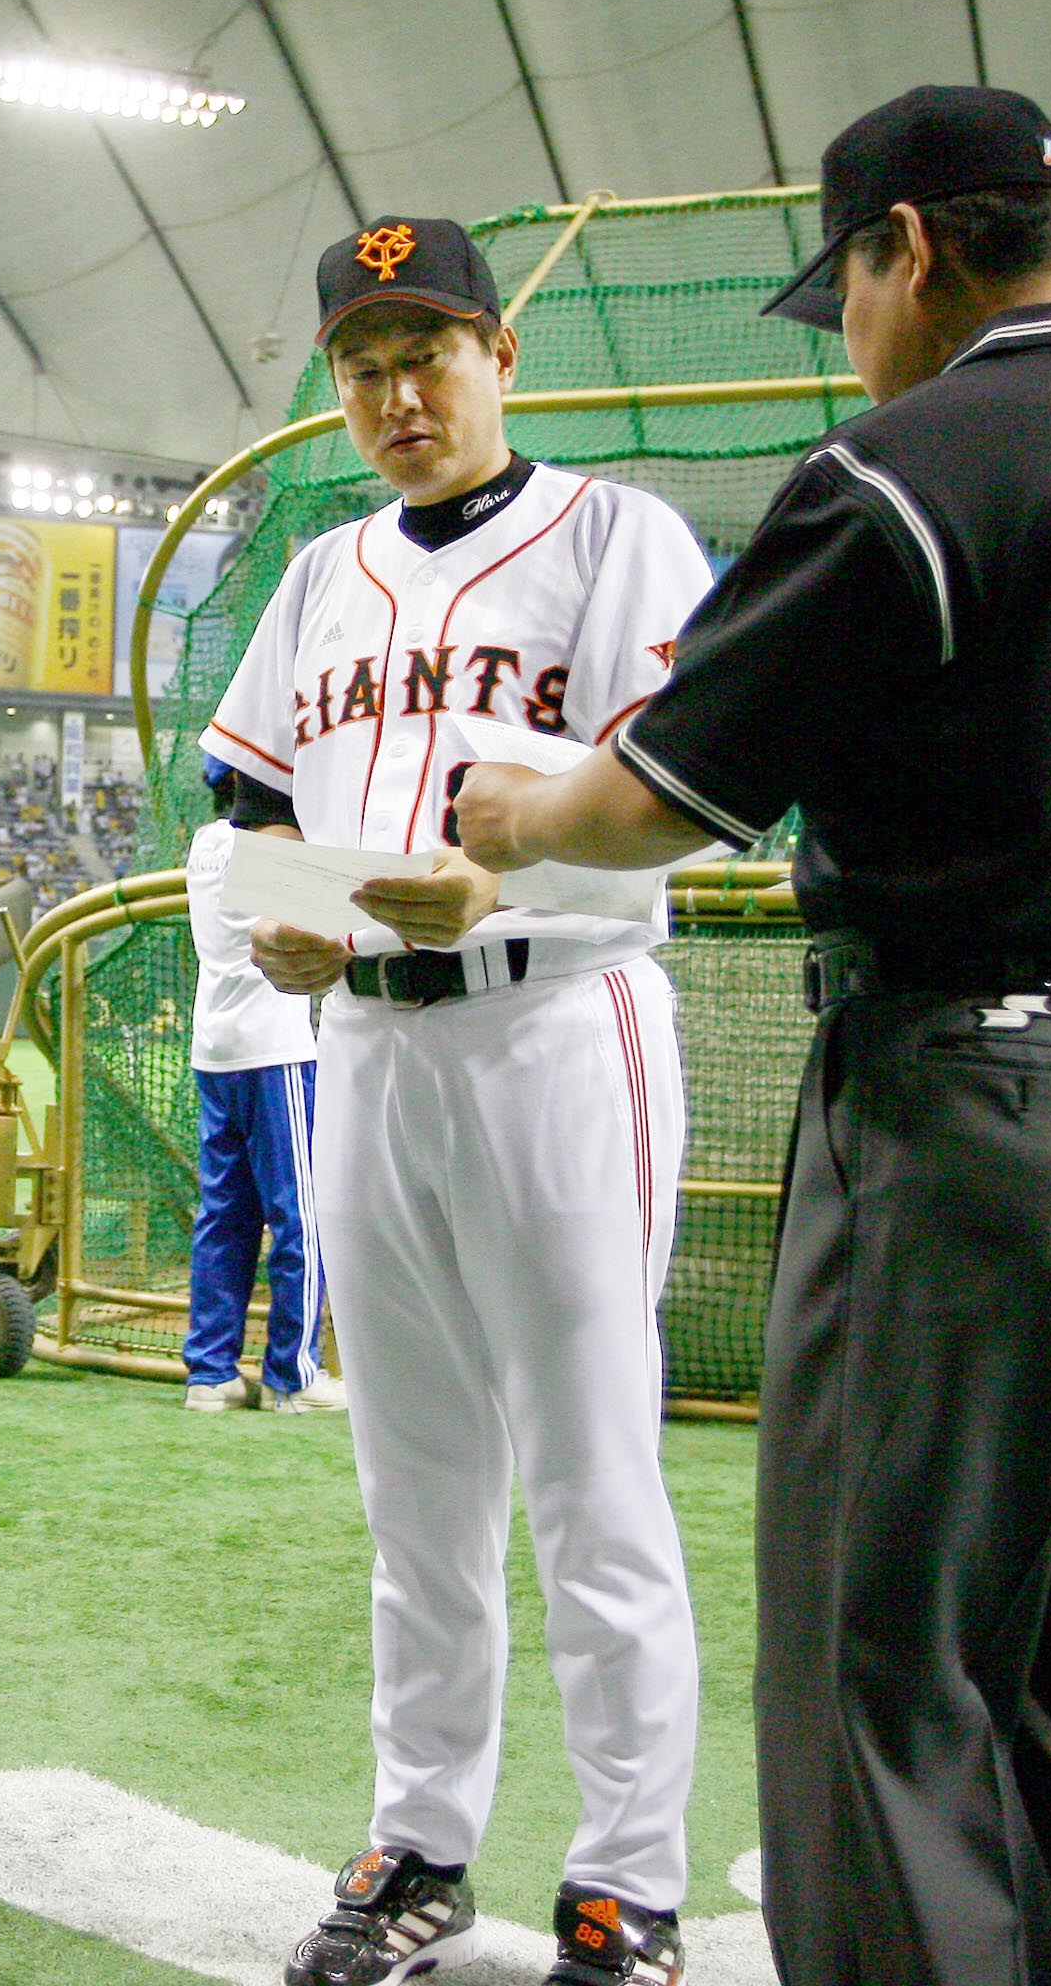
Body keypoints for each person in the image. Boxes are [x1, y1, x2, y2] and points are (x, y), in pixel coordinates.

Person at [453, 84, 1051, 1986]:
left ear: (906, 247)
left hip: (980, 1112)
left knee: (880, 1678)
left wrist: (518, 805)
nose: (845, 328)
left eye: (844, 286)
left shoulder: (913, 462)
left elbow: (660, 797)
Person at [202, 217, 709, 1986]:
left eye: (426, 355)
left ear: (502, 358)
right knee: (413, 1493)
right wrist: (281, 922)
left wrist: (514, 884)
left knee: (587, 1480)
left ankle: (625, 1881)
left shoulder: (619, 537)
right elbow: (250, 805)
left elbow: (680, 799)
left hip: (558, 1028)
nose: (393, 394)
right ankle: (418, 1843)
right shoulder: (318, 574)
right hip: (370, 1046)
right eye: (360, 366)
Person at [182, 755, 342, 1415]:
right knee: (299, 1212)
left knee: (225, 1215)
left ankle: (210, 1373)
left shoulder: (204, 845)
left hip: (215, 1045)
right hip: (273, 1048)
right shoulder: (264, 845)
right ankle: (291, 1374)